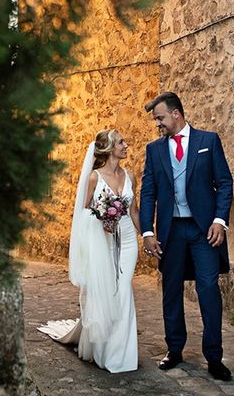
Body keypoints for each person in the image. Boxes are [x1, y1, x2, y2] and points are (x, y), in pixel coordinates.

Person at [139, 92, 234, 381]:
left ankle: (214, 357)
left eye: (160, 118)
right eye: (156, 120)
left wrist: (220, 220)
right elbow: (149, 192)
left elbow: (225, 182)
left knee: (208, 290)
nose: (158, 124)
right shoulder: (154, 150)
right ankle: (175, 349)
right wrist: (147, 231)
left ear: (176, 113)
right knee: (171, 292)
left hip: (202, 230)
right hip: (171, 231)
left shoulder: (208, 141)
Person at [37, 129, 140, 373]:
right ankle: (104, 350)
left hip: (127, 240)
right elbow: (83, 213)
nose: (127, 145)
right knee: (106, 292)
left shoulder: (131, 176)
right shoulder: (94, 178)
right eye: (121, 142)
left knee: (123, 290)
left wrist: (147, 235)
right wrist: (101, 219)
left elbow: (134, 211)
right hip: (102, 240)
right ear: (109, 148)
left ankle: (123, 353)